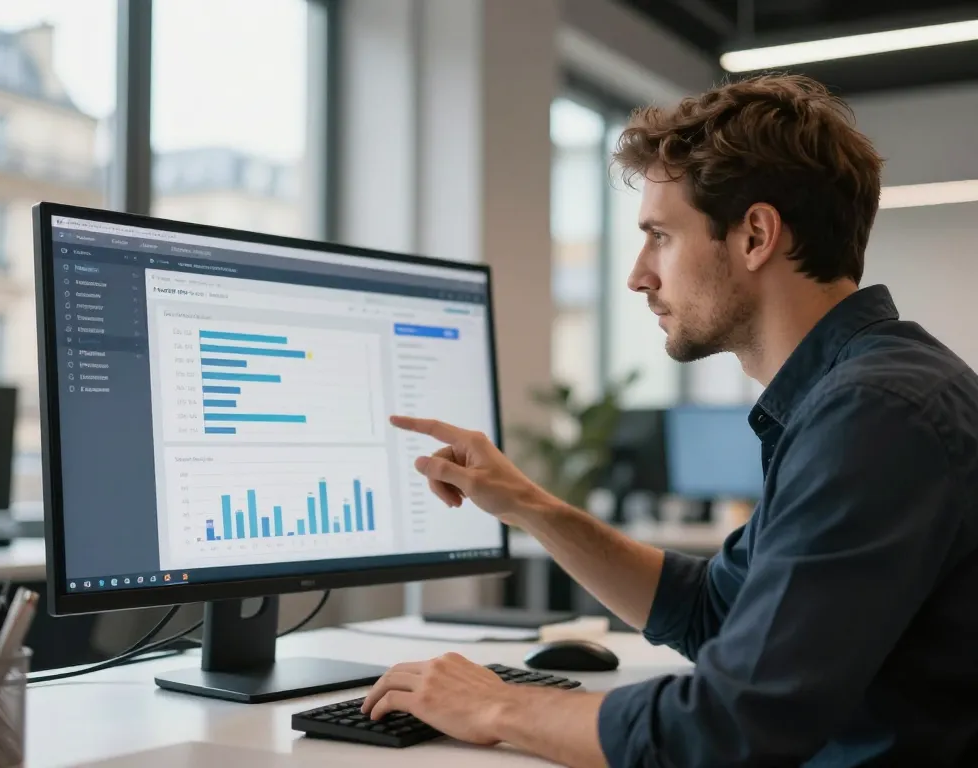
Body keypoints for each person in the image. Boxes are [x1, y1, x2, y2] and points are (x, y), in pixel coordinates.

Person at [361, 74, 978, 767]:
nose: (636, 275)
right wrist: (526, 504)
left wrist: (497, 705)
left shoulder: (875, 415)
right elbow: (716, 613)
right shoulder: (854, 394)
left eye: (659, 235)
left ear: (754, 235)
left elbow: (730, 729)